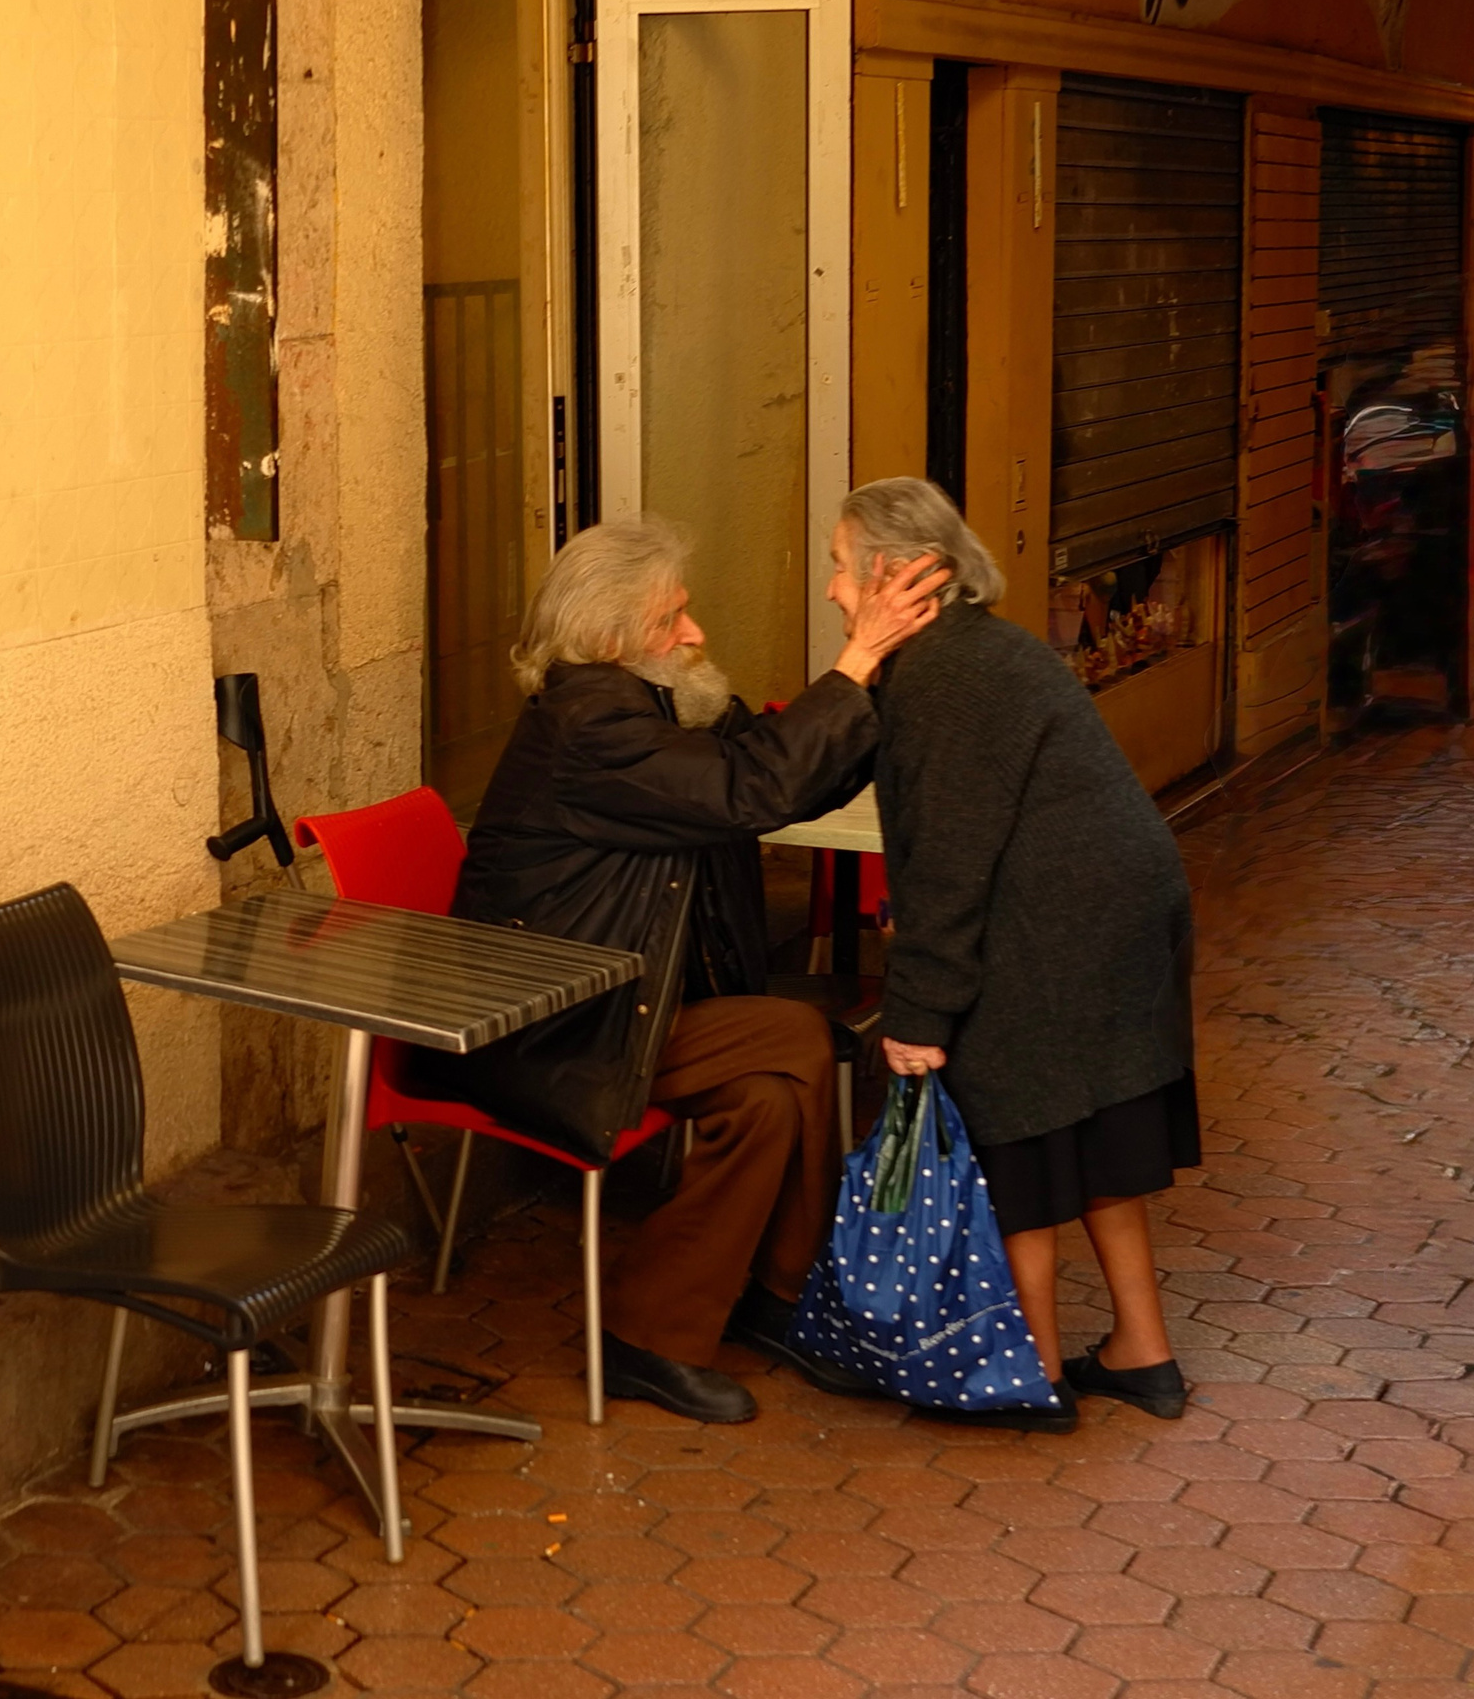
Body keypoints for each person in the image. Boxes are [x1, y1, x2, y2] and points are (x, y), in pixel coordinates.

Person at [412, 513, 946, 1424]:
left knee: (766, 1100)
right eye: (674, 620)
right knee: (799, 1035)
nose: (694, 635)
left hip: (625, 1006)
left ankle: (661, 1332)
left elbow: (781, 774)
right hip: (552, 1025)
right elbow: (751, 790)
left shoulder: (657, 701)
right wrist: (855, 661)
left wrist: (891, 684)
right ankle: (777, 1300)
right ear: (614, 637)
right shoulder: (590, 726)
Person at [830, 477, 1198, 1431]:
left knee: (1015, 1140)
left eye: (839, 568)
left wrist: (914, 1016)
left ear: (896, 575)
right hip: (1111, 908)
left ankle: (1029, 1374)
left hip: (1052, 926)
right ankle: (1142, 1353)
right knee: (1099, 1125)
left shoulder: (948, 675)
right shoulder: (983, 651)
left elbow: (951, 864)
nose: (832, 591)